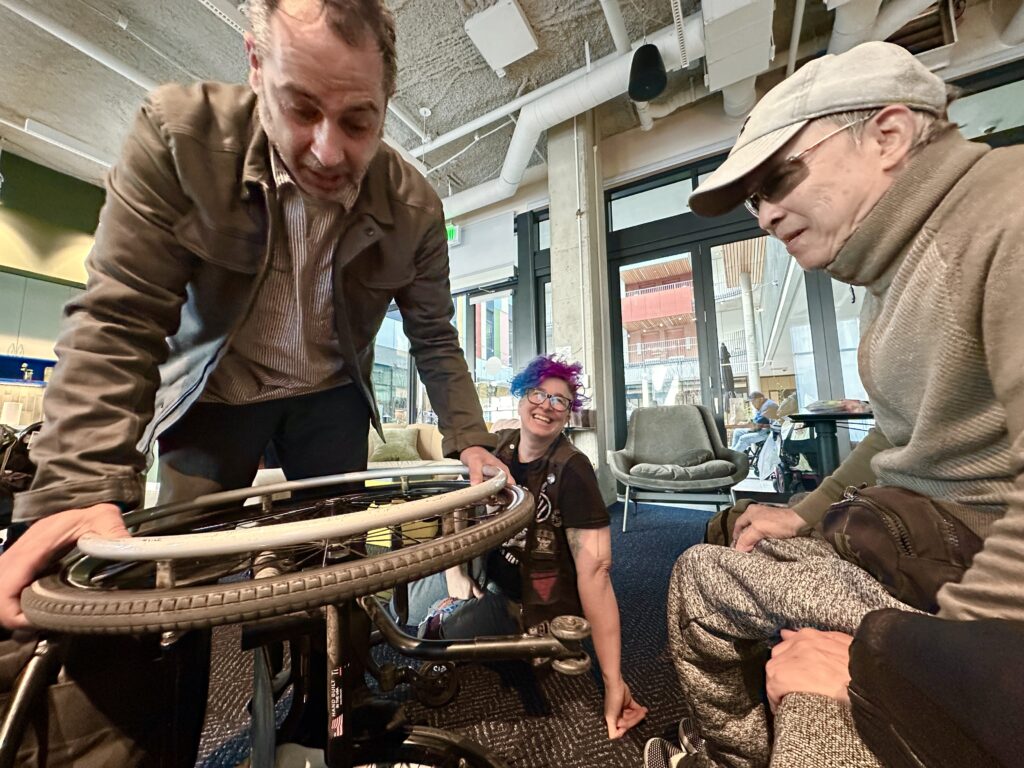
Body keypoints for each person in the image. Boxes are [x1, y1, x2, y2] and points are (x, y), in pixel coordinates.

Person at [0, 0, 508, 764]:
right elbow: (121, 319)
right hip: (212, 400)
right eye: (300, 109)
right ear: (255, 64)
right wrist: (76, 490)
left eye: (359, 121)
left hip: (329, 401)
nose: (329, 150)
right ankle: (165, 745)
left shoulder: (414, 204)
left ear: (387, 103)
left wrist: (472, 439)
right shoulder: (178, 135)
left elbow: (435, 336)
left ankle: (330, 713)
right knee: (167, 600)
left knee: (339, 576)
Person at [652, 40, 1024, 768]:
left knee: (819, 737)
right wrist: (805, 511)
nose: (763, 214)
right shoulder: (897, 271)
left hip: (979, 605)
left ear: (887, 136)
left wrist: (915, 671)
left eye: (779, 177)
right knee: (705, 571)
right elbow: (894, 433)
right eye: (753, 199)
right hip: (916, 546)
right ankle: (735, 753)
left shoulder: (1006, 215)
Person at [395, 355, 648, 740]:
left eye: (559, 400)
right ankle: (453, 607)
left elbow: (596, 573)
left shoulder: (573, 470)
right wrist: (455, 573)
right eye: (538, 393)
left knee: (424, 635)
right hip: (485, 575)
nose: (546, 406)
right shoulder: (501, 447)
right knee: (398, 605)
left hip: (528, 606)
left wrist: (614, 681)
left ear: (567, 415)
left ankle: (456, 621)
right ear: (520, 396)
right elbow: (458, 503)